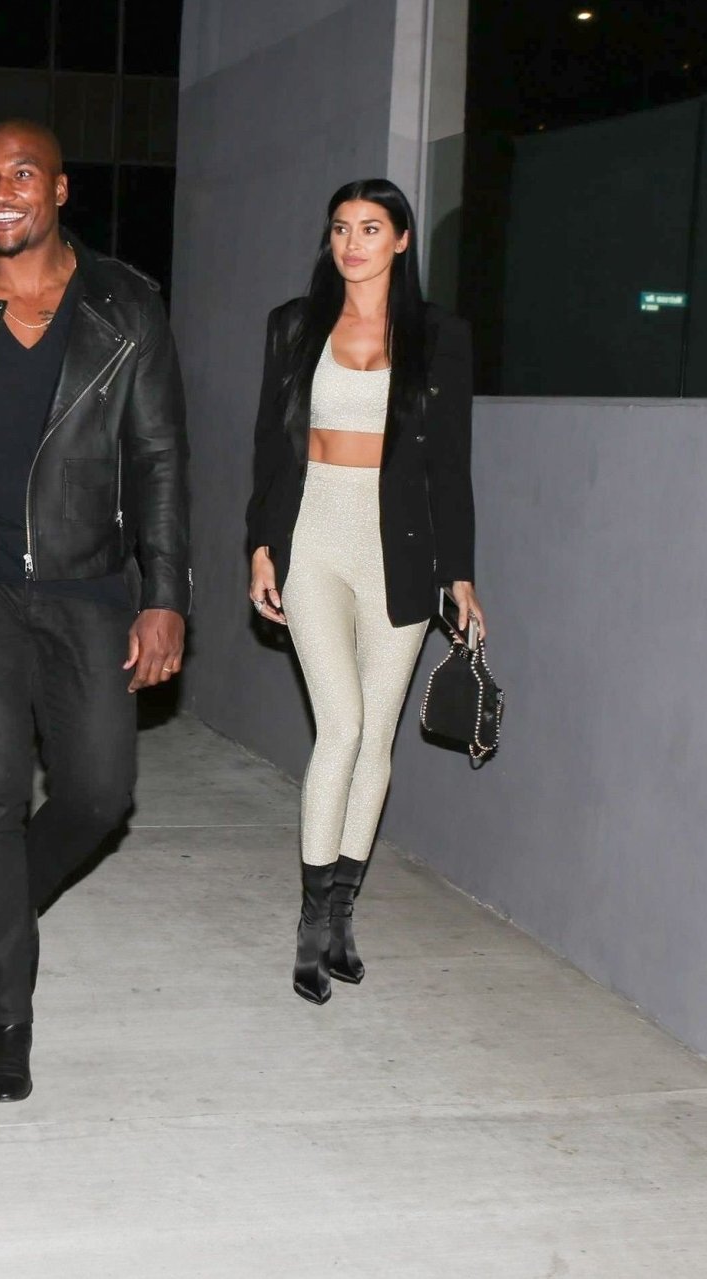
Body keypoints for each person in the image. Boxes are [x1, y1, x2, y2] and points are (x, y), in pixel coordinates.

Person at [0, 120, 190, 1104]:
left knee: (100, 795)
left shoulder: (126, 306)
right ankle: (8, 1018)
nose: (1, 192)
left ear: (60, 190)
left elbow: (159, 458)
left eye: (22, 174)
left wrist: (165, 595)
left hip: (89, 582)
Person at [244, 177, 485, 1005]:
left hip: (400, 549)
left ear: (402, 239)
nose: (353, 243)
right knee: (340, 725)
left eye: (371, 228)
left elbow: (451, 464)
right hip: (314, 535)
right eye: (341, 227)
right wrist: (261, 546)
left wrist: (460, 571)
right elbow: (269, 446)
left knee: (376, 737)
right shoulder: (294, 325)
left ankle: (343, 913)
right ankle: (311, 920)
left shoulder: (440, 337)